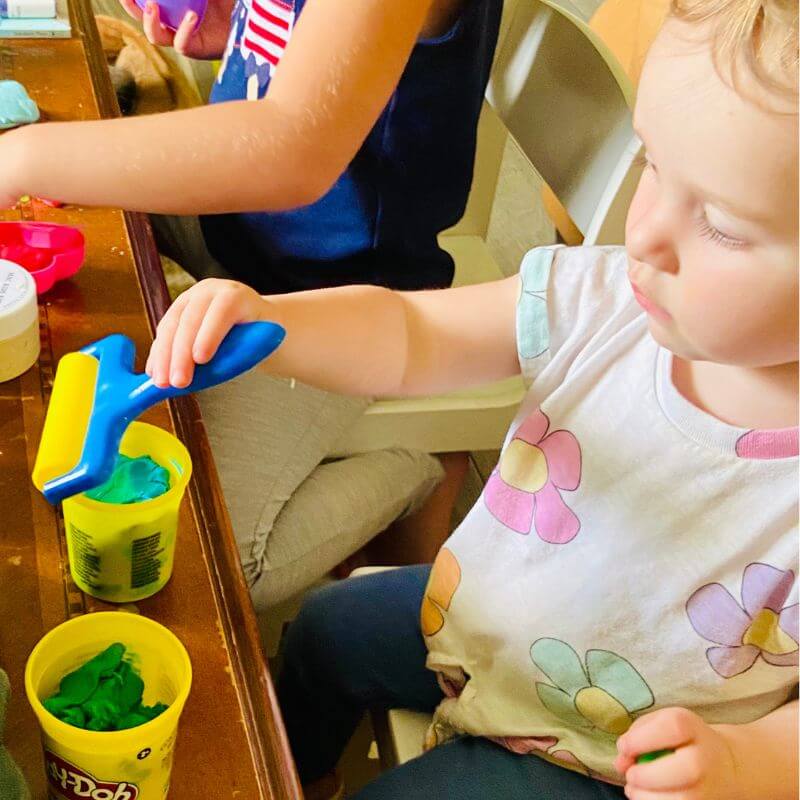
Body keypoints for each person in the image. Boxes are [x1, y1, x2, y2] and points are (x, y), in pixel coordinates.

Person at [138, 0, 800, 796]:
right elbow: (412, 328)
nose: (647, 230)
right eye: (653, 164)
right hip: (487, 616)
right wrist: (277, 322)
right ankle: (292, 776)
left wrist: (743, 764)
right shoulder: (608, 294)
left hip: (595, 755)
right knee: (319, 633)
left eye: (722, 224)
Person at [0, 0, 503, 606]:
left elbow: (296, 148)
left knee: (215, 561)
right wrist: (236, 31)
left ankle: (419, 469)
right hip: (240, 234)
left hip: (342, 296)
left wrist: (23, 157)